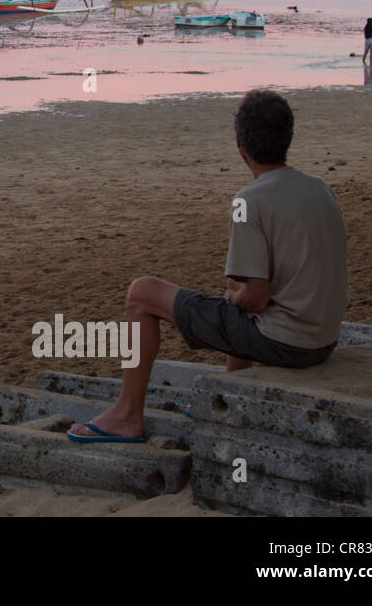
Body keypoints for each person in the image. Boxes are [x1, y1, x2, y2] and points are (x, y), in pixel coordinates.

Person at [67, 89, 349, 443]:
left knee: (142, 294)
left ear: (239, 143)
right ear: (288, 137)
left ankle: (126, 416)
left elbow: (257, 300)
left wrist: (236, 301)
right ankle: (227, 391)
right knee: (235, 288)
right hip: (323, 340)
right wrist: (237, 296)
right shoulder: (319, 187)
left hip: (288, 344)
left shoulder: (250, 200)